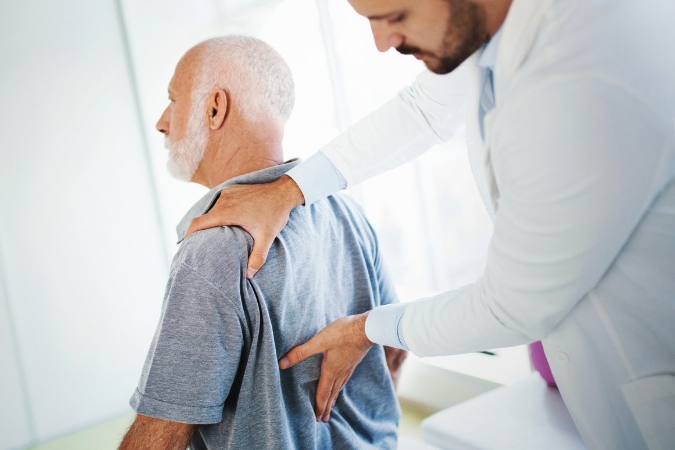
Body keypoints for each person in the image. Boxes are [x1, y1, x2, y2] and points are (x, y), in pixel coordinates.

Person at [185, 1, 675, 449]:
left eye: (395, 14)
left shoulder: (578, 71)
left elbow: (512, 306)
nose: (382, 41)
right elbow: (423, 109)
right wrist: (289, 190)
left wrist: (369, 329)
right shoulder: (502, 30)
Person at [119, 35, 407, 450]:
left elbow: (158, 441)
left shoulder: (213, 251)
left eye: (173, 100)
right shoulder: (347, 213)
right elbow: (395, 353)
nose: (162, 121)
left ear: (214, 108)